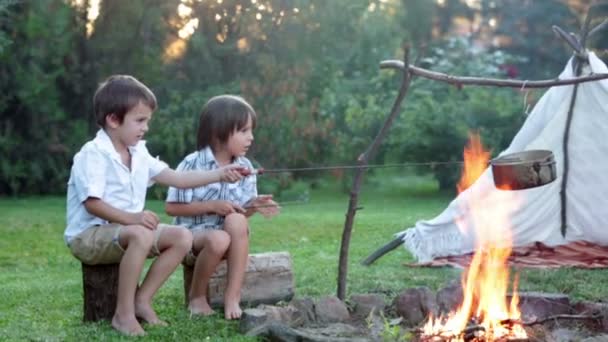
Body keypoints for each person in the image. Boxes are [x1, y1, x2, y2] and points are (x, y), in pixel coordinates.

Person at [64, 75, 245, 336]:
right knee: (140, 233)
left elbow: (178, 178)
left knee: (181, 236)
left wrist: (220, 173)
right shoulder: (93, 154)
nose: (145, 127)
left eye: (147, 120)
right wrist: (133, 218)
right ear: (113, 120)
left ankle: (141, 300)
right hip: (90, 235)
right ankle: (123, 315)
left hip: (127, 230)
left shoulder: (139, 153)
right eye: (139, 120)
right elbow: (93, 204)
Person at [165, 95, 279, 320]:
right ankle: (196, 297)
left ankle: (232, 296)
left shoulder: (245, 167)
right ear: (219, 132)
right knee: (219, 239)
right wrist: (212, 206)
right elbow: (171, 208)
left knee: (236, 221)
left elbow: (239, 214)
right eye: (244, 131)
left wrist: (253, 206)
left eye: (251, 131)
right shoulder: (191, 164)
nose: (251, 137)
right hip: (194, 238)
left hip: (231, 239)